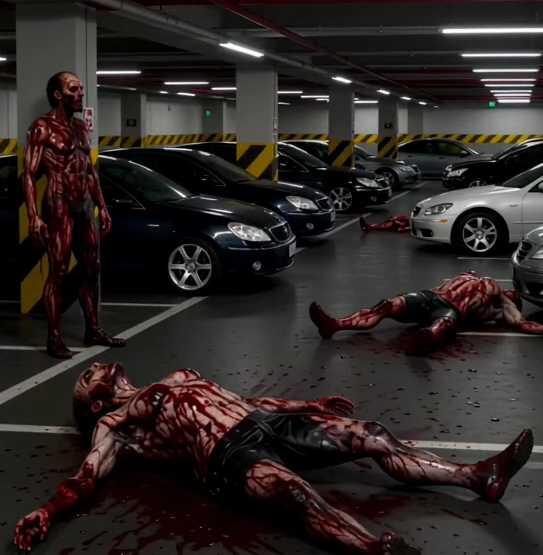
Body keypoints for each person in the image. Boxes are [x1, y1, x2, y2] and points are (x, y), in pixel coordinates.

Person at [14, 362, 533, 554]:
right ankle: (374, 549)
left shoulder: (171, 378)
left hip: (264, 422)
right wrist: (49, 510)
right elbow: (87, 474)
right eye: (85, 379)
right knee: (295, 494)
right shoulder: (116, 425)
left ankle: (477, 476)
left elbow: (245, 400)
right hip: (228, 454)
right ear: (96, 404)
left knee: (372, 435)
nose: (93, 369)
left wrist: (307, 404)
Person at [21, 72, 125, 358]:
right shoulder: (42, 127)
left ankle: (93, 329)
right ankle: (54, 338)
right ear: (58, 94)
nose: (80, 94)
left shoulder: (80, 127)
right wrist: (33, 216)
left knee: (92, 267)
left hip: (84, 205)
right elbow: (28, 174)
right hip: (59, 203)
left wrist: (102, 207)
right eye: (73, 89)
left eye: (80, 89)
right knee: (59, 270)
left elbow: (89, 171)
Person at [310, 271, 543, 355]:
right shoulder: (475, 276)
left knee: (442, 325)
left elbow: (522, 323)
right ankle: (335, 324)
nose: (511, 292)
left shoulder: (497, 309)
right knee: (386, 305)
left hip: (450, 310)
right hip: (430, 296)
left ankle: (424, 341)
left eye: (513, 296)